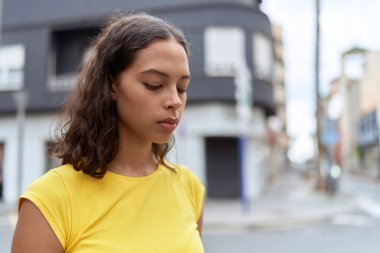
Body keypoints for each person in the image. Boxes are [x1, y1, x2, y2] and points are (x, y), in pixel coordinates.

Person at [11, 12, 205, 253]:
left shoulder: (189, 187)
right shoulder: (49, 200)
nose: (174, 101)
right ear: (112, 85)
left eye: (182, 88)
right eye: (154, 84)